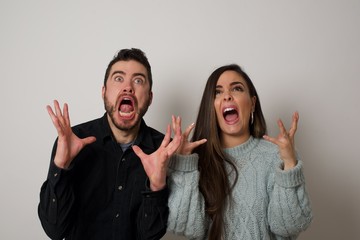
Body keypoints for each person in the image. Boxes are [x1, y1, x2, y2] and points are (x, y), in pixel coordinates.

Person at [38, 48, 182, 240]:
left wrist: (156, 186)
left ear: (149, 97)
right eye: (118, 78)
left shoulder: (164, 151)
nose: (128, 87)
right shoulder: (72, 140)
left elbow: (149, 236)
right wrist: (61, 166)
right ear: (104, 92)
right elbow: (55, 230)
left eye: (138, 80)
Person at [166, 64, 313, 240]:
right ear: (211, 107)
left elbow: (289, 227)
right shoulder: (197, 161)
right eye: (218, 92)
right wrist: (184, 165)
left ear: (252, 103)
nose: (227, 96)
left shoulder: (276, 156)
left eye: (236, 88)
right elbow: (184, 227)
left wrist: (289, 164)